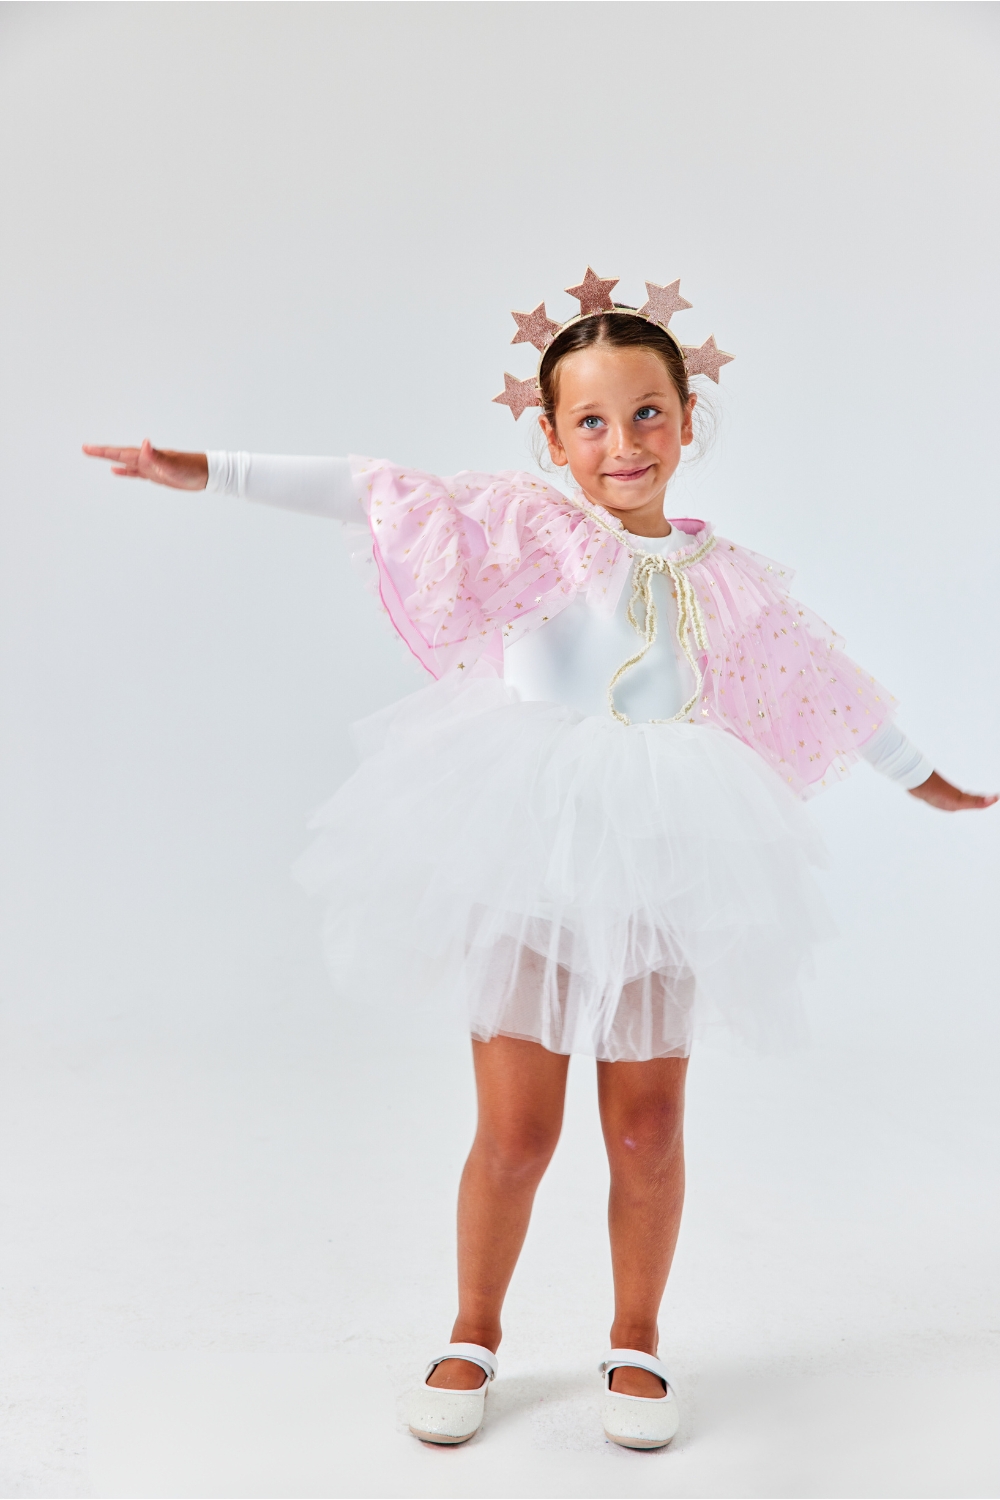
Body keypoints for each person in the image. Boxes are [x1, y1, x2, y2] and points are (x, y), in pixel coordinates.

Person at [84, 270, 995, 1452]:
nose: (625, 444)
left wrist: (932, 784)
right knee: (517, 1133)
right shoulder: (533, 532)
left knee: (647, 1128)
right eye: (593, 422)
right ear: (554, 441)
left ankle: (636, 1338)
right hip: (534, 847)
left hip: (664, 856)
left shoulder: (728, 581)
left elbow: (831, 692)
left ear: (688, 419)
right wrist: (210, 469)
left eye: (649, 413)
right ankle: (473, 1331)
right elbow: (374, 488)